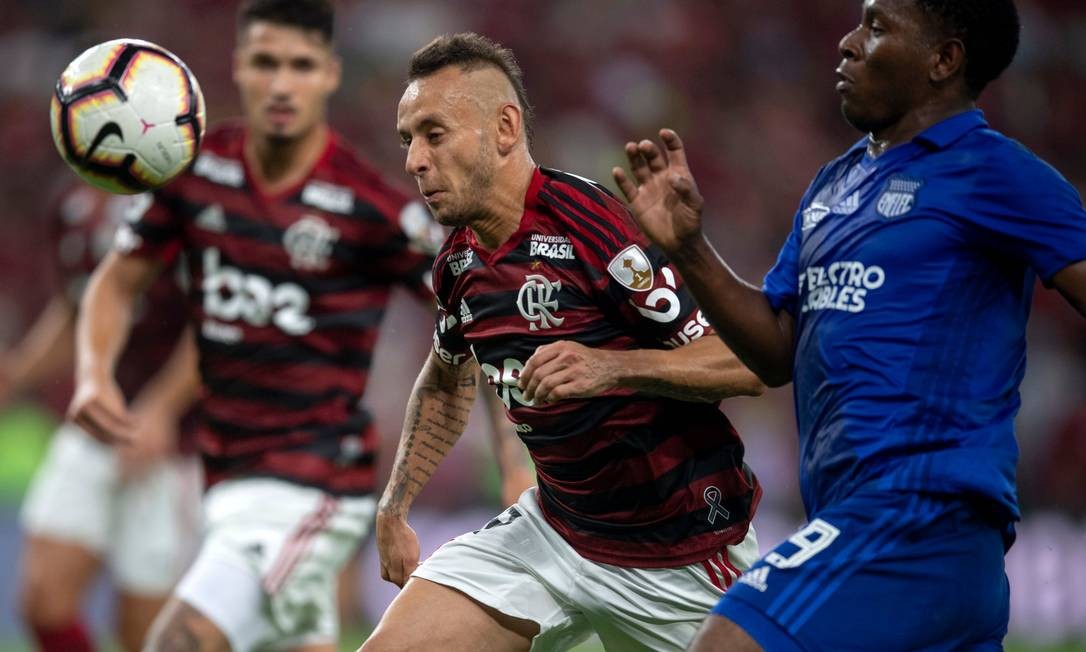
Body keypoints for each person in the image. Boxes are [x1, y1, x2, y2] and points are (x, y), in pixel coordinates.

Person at [613, 1, 1086, 650]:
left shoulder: (996, 173)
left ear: (943, 61)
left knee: (730, 641)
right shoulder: (834, 184)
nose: (847, 43)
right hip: (872, 524)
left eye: (877, 26)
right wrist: (691, 250)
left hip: (919, 513)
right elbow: (778, 348)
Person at [67, 2, 529, 650]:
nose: (282, 83)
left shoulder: (366, 205)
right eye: (266, 63)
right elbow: (117, 281)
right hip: (224, 476)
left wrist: (513, 457)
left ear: (329, 74)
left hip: (314, 479)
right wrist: (93, 376)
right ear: (239, 69)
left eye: (301, 65)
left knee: (179, 641)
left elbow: (480, 318)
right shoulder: (195, 173)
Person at [363, 33, 765, 652]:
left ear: (504, 127)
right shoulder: (459, 263)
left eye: (433, 134)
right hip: (554, 532)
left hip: (678, 550)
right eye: (406, 140)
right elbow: (446, 377)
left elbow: (746, 363)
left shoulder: (591, 224)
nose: (414, 159)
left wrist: (610, 368)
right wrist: (395, 505)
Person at [5, 183, 201, 652]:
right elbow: (78, 308)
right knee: (42, 602)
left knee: (145, 637)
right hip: (94, 422)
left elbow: (218, 321)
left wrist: (161, 408)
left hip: (172, 448)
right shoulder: (71, 205)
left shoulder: (192, 203)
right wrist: (16, 373)